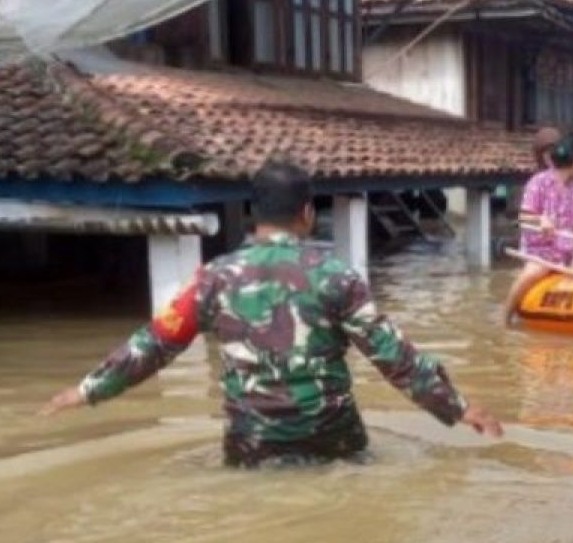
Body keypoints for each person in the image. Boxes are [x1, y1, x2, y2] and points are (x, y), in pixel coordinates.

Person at [41, 160, 503, 467]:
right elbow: (395, 359)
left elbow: (153, 345)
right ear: (306, 213)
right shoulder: (336, 276)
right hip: (334, 446)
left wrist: (87, 390)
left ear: (251, 214)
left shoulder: (212, 280)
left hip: (251, 449)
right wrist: (461, 409)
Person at [505, 139, 573, 324]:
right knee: (533, 273)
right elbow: (523, 217)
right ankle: (505, 318)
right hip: (541, 251)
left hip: (568, 250)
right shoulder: (538, 182)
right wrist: (541, 220)